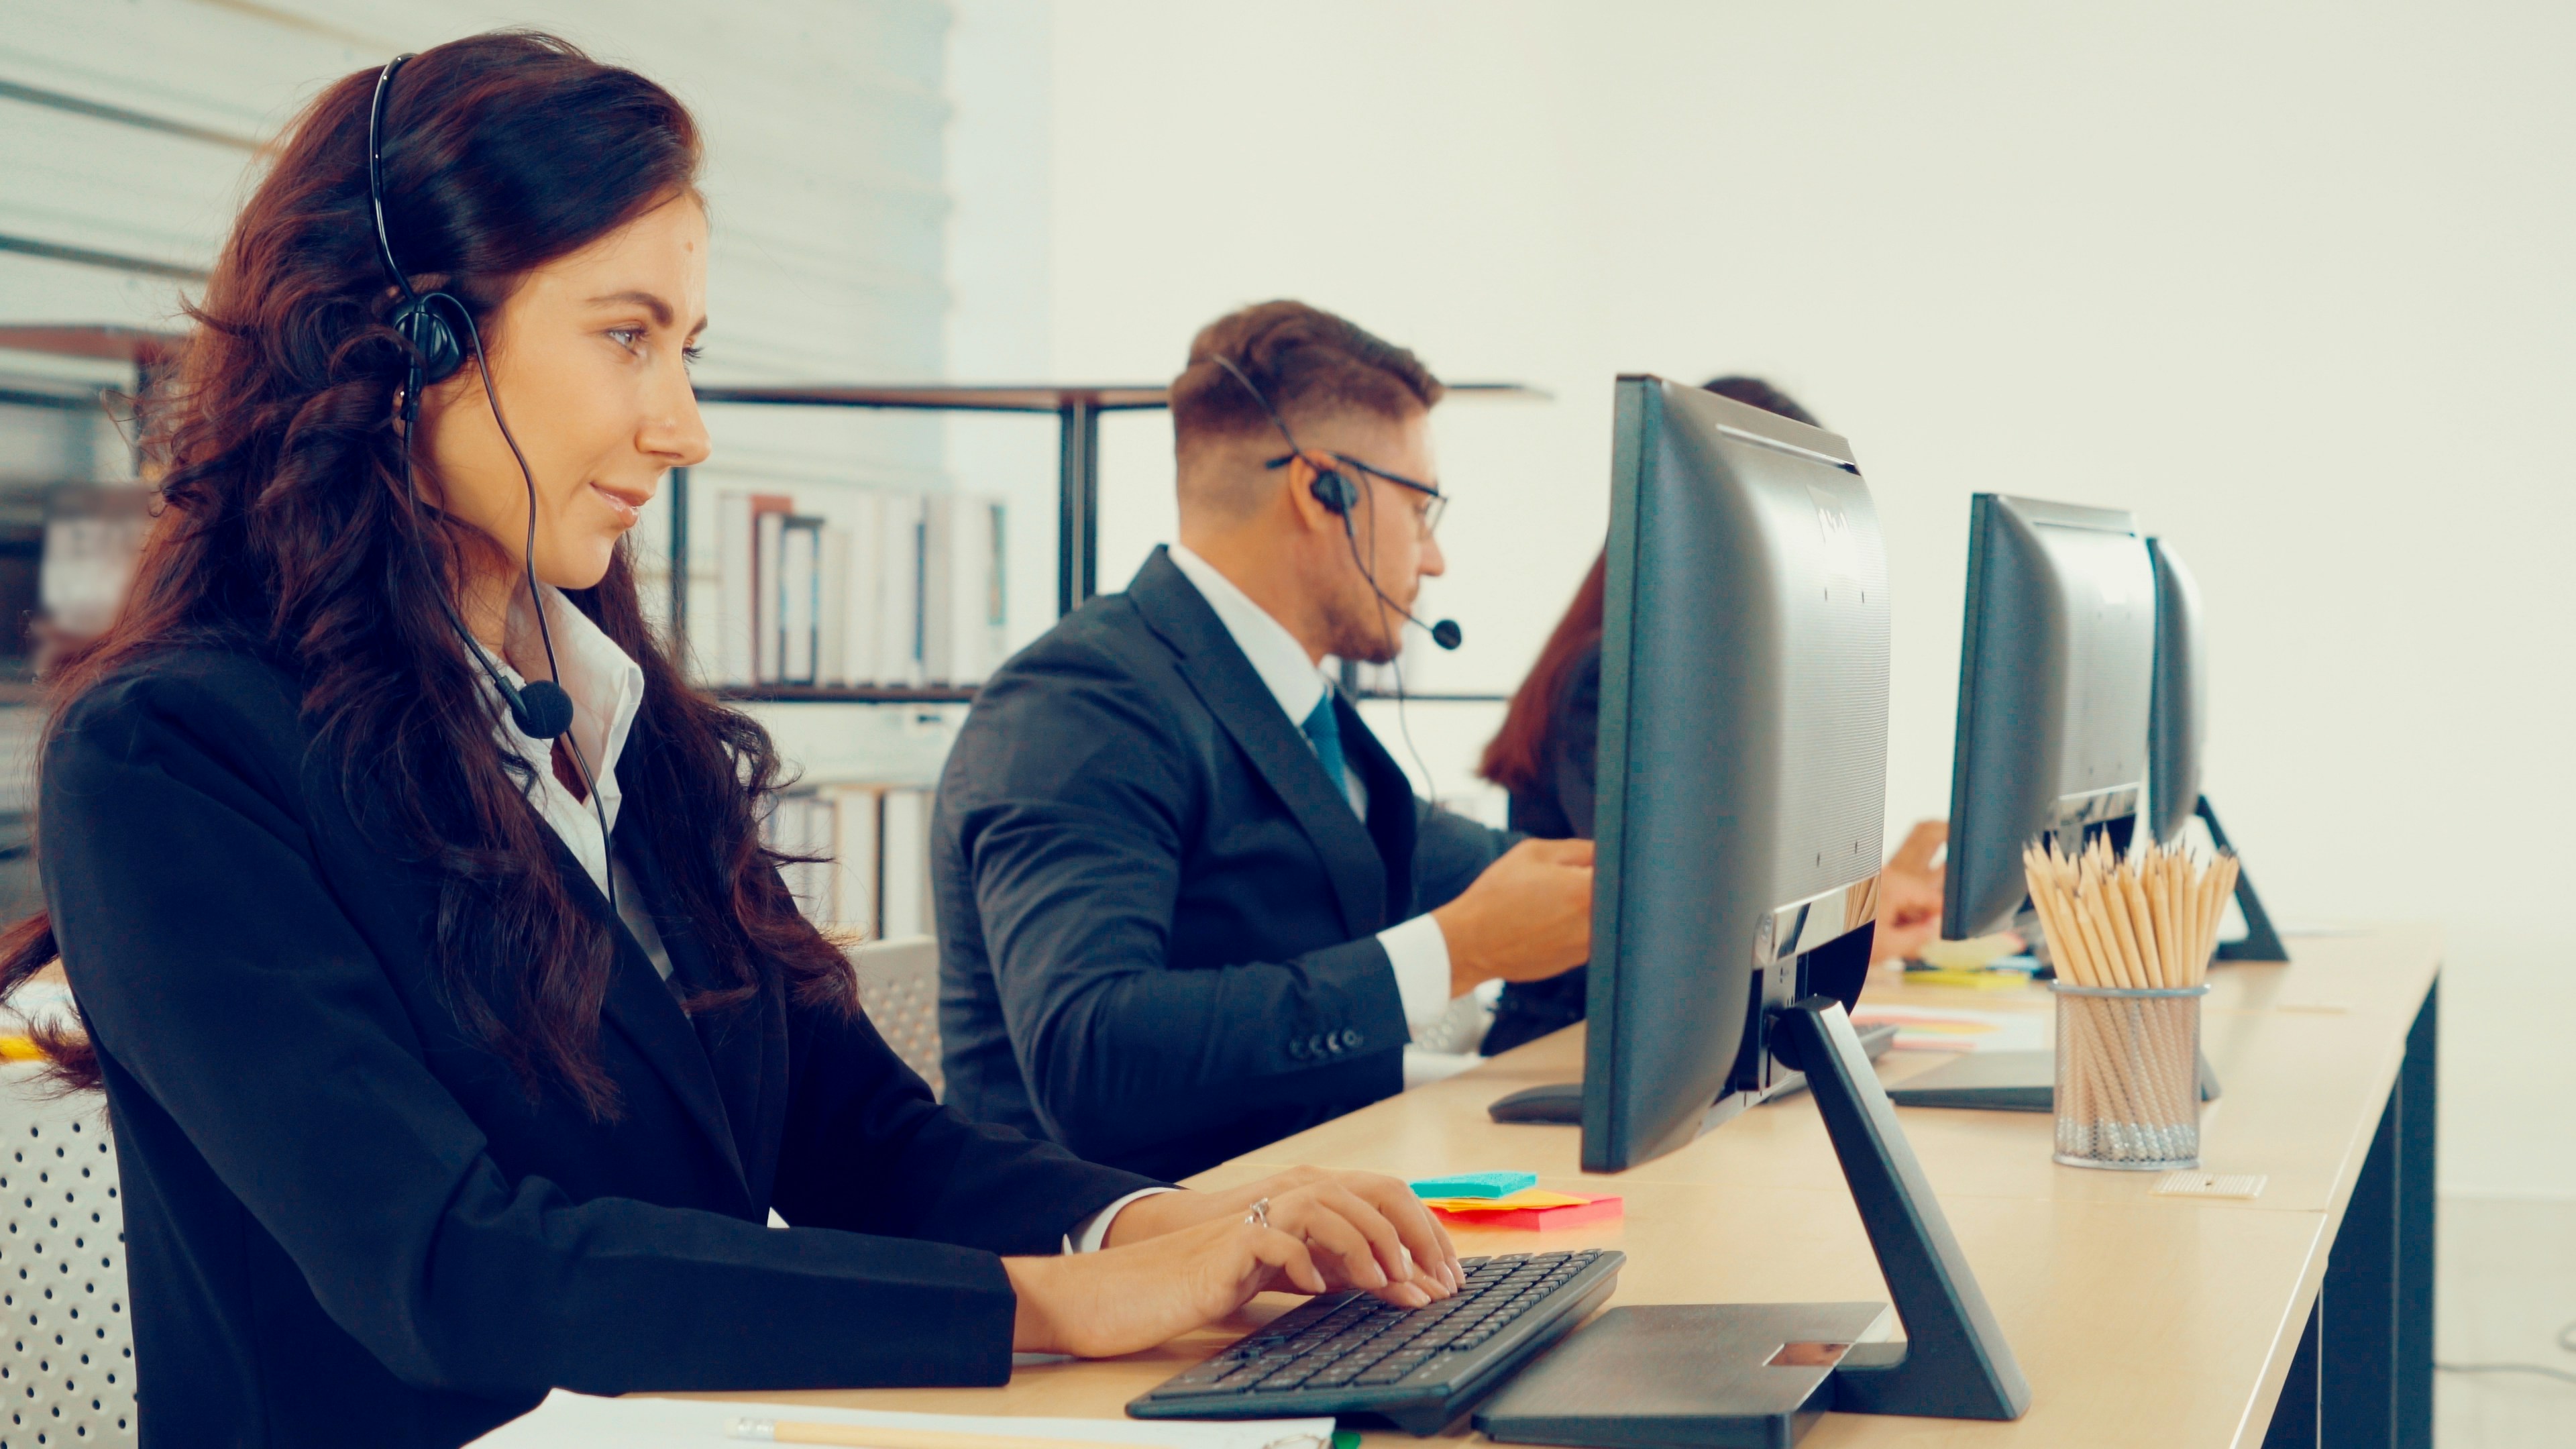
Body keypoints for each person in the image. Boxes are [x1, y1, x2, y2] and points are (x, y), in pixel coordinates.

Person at [3, 38, 1460, 1449]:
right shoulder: (172, 758)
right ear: (411, 337)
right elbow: (452, 1270)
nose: (684, 426)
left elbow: (855, 1134)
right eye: (626, 338)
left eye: (684, 350)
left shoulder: (616, 716)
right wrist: (1057, 1304)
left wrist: (1167, 1227)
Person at [936, 301, 1594, 1180]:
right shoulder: (1081, 702)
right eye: (1421, 507)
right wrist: (1457, 951)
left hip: (1310, 1222)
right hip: (1125, 1266)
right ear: (1325, 489)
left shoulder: (1295, 714)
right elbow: (1089, 1051)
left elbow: (1496, 871)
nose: (1432, 560)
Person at [1474, 376, 1949, 1057]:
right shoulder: (1614, 674)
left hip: (1691, 1045)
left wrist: (1863, 904)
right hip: (1577, 1050)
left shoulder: (1740, 678)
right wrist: (1861, 901)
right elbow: (1673, 902)